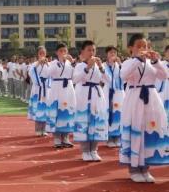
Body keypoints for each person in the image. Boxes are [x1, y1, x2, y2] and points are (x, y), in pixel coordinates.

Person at [118, 34, 169, 182]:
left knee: (149, 130)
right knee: (136, 129)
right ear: (131, 48)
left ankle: (145, 168)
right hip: (135, 98)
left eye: (145, 46)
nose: (143, 49)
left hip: (152, 99)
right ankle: (134, 169)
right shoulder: (128, 62)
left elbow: (164, 75)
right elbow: (123, 75)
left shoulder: (152, 63)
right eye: (139, 46)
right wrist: (138, 60)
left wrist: (156, 61)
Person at [72, 41, 108, 161]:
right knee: (84, 122)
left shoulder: (99, 66)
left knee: (96, 122)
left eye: (93, 50)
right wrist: (87, 67)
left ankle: (94, 150)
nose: (91, 52)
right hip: (83, 95)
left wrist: (101, 67)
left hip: (96, 95)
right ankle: (85, 150)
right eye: (89, 50)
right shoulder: (80, 66)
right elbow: (75, 79)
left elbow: (108, 80)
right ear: (82, 52)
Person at [42, 42, 75, 148]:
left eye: (65, 51)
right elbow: (47, 74)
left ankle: (66, 137)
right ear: (57, 53)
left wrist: (72, 63)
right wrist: (60, 62)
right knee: (56, 112)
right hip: (57, 89)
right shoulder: (53, 63)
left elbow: (75, 76)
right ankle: (56, 138)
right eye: (61, 51)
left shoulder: (70, 63)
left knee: (67, 111)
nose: (63, 53)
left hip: (68, 88)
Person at [102, 46, 124, 147]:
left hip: (119, 93)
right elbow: (104, 78)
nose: (113, 54)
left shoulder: (119, 65)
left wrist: (120, 65)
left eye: (114, 52)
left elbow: (125, 77)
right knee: (108, 113)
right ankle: (109, 138)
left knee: (119, 114)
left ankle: (118, 136)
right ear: (106, 54)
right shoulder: (103, 65)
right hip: (108, 92)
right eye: (110, 52)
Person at [27, 47, 50, 136]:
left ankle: (44, 129)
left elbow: (52, 74)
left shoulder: (49, 64)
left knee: (45, 108)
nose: (42, 55)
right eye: (40, 53)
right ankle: (37, 129)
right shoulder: (34, 64)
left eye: (44, 53)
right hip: (37, 88)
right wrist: (38, 63)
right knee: (38, 108)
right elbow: (30, 72)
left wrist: (47, 64)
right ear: (38, 54)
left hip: (46, 88)